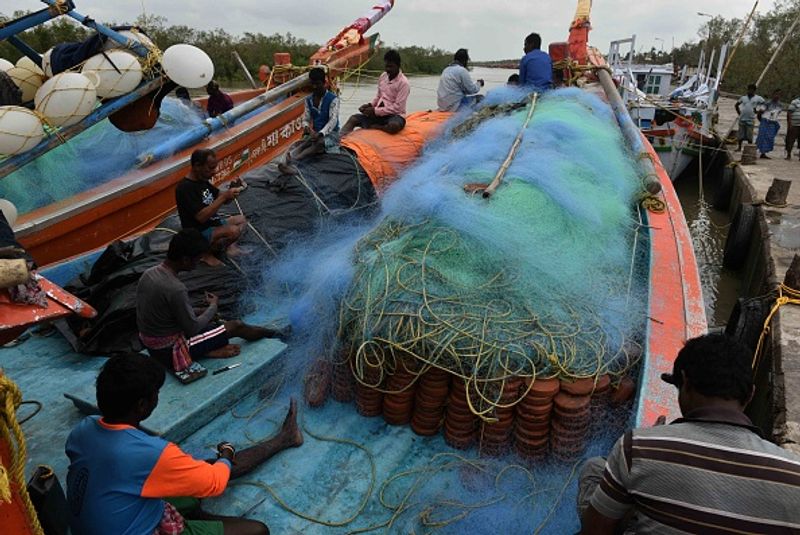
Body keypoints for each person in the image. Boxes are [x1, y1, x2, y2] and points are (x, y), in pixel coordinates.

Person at [578, 333, 800, 534]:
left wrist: (654, 442)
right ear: (750, 394)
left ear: (685, 382)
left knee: (594, 468)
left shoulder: (637, 447)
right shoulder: (793, 476)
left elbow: (595, 531)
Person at [66, 353, 303, 535]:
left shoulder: (84, 428)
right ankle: (285, 439)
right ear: (141, 405)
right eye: (156, 393)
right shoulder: (153, 454)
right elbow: (216, 483)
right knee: (257, 530)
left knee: (199, 479)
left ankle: (285, 438)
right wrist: (227, 454)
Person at [137, 229, 287, 381]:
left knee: (211, 320)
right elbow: (192, 327)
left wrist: (200, 311)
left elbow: (165, 312)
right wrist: (213, 307)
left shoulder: (149, 273)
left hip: (152, 344)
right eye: (197, 259)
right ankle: (278, 334)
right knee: (236, 325)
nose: (199, 262)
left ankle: (208, 348)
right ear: (185, 260)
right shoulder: (176, 288)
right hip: (169, 351)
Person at [175, 148, 247, 261]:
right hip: (199, 232)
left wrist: (232, 192)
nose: (214, 172)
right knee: (233, 231)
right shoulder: (185, 188)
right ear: (197, 166)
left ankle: (229, 248)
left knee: (241, 220)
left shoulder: (202, 181)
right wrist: (223, 197)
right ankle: (206, 253)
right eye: (210, 168)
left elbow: (221, 197)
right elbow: (201, 217)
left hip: (213, 224)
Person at [278, 68, 340, 174]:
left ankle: (293, 161)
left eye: (318, 84)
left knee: (319, 143)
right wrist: (306, 127)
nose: (315, 87)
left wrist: (321, 133)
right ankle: (289, 157)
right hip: (314, 133)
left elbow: (333, 121)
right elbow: (306, 118)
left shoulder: (333, 99)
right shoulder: (309, 100)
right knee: (303, 143)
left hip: (330, 135)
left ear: (324, 83)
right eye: (313, 84)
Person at [340, 49, 410, 136]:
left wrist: (375, 111)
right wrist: (369, 105)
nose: (388, 70)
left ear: (398, 66)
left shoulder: (404, 83)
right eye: (386, 66)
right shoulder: (383, 76)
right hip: (379, 114)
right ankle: (339, 139)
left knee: (393, 126)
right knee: (353, 119)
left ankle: (378, 128)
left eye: (391, 67)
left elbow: (398, 108)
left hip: (394, 116)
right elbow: (378, 97)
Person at [734, 83, 765, 152]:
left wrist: (759, 111)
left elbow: (764, 104)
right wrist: (739, 113)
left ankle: (749, 148)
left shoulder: (758, 98)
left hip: (750, 119)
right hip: (742, 118)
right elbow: (736, 105)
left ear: (754, 91)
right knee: (740, 134)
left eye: (751, 90)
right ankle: (739, 147)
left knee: (749, 135)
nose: (750, 91)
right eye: (749, 90)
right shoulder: (743, 98)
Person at [755, 89, 783, 159]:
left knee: (770, 138)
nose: (777, 96)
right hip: (765, 121)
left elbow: (777, 114)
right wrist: (762, 121)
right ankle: (758, 151)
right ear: (773, 95)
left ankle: (763, 153)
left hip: (773, 123)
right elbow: (759, 113)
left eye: (779, 95)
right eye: (776, 94)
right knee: (762, 137)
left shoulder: (780, 105)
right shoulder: (767, 103)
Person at [786, 94, 800, 160]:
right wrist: (789, 124)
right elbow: (789, 113)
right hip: (794, 125)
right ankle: (788, 154)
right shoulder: (795, 102)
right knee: (791, 140)